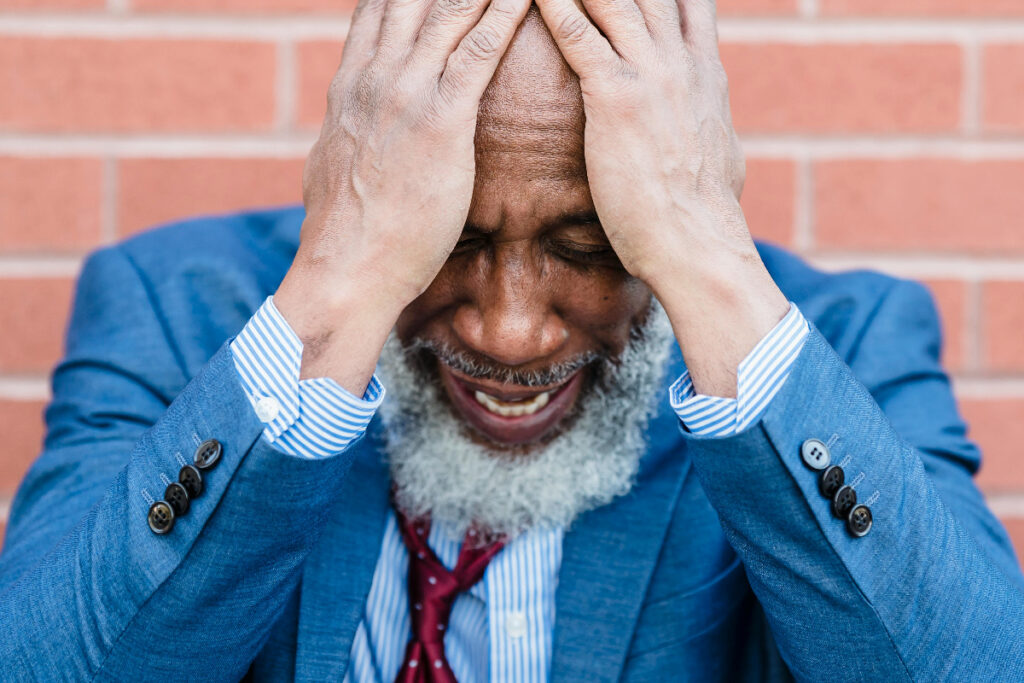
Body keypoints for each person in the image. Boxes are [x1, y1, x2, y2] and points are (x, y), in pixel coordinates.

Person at [1, 0, 1022, 678]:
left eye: (589, 244)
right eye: (450, 237)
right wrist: (341, 278)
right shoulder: (175, 304)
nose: (510, 327)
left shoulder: (830, 350)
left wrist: (703, 258)